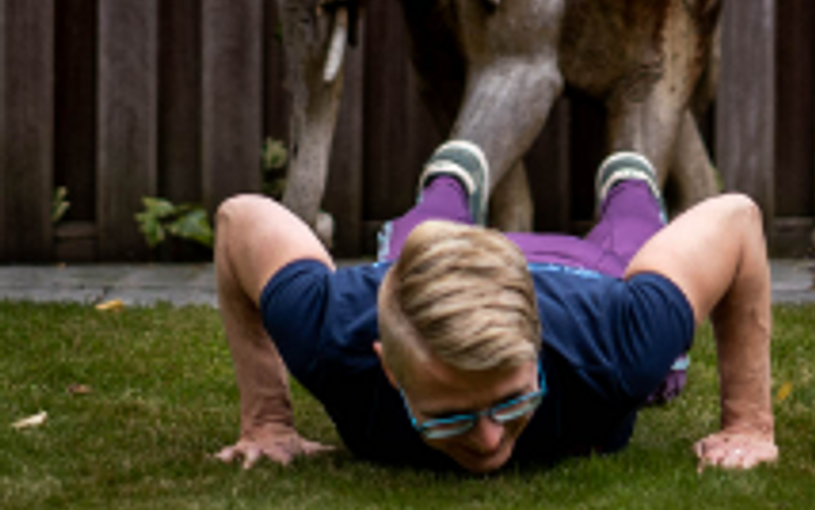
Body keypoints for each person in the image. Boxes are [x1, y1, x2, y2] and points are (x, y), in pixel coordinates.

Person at [213, 140, 777, 475]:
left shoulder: (618, 340)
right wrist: (267, 423)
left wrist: (749, 425)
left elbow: (736, 220)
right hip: (423, 267)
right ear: (389, 366)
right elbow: (241, 220)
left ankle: (629, 182)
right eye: (450, 412)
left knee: (632, 245)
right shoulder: (329, 334)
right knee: (413, 242)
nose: (487, 440)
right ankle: (450, 183)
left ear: (537, 343)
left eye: (511, 401)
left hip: (583, 275)